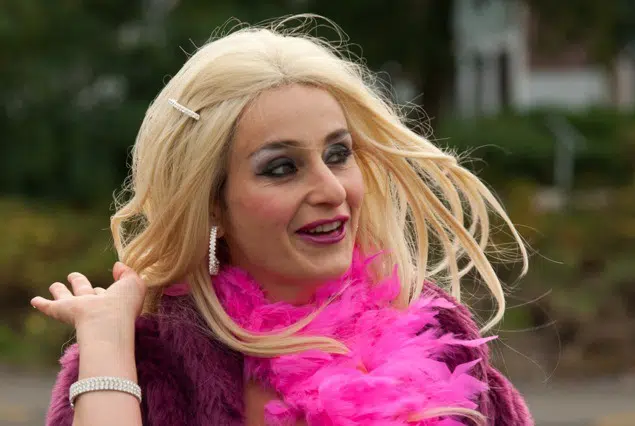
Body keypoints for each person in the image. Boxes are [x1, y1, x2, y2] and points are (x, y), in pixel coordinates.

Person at [32, 16, 533, 426]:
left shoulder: (440, 342)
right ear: (212, 202)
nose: (331, 190)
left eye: (338, 154)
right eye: (282, 168)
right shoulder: (148, 362)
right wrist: (106, 348)